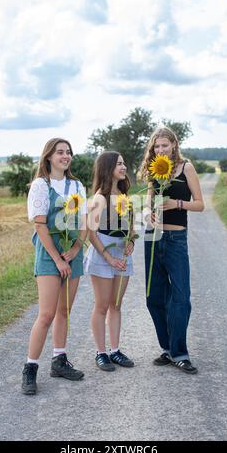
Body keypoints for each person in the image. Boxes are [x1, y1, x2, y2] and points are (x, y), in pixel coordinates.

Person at [22, 138, 87, 395]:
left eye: (69, 152)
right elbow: (40, 225)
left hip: (73, 252)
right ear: (49, 156)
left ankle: (59, 360)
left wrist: (74, 250)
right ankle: (30, 368)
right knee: (46, 314)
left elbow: (84, 222)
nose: (66, 156)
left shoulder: (77, 185)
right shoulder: (41, 185)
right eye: (60, 152)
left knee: (64, 311)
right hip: (49, 254)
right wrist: (59, 259)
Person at [140, 127, 205, 374]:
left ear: (174, 145)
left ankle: (180, 352)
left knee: (181, 297)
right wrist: (148, 214)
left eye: (164, 145)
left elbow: (200, 204)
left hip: (176, 238)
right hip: (153, 237)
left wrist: (175, 203)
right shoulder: (154, 170)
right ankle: (167, 349)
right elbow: (147, 203)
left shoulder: (186, 168)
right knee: (154, 296)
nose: (160, 150)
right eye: (157, 146)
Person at [84, 151, 136, 371]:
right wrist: (108, 257)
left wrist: (131, 241)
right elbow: (91, 233)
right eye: (118, 164)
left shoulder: (125, 197)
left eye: (124, 163)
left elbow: (131, 228)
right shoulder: (99, 198)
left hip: (122, 255)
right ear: (107, 169)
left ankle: (115, 351)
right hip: (103, 254)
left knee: (116, 304)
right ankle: (101, 352)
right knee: (102, 305)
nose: (123, 167)